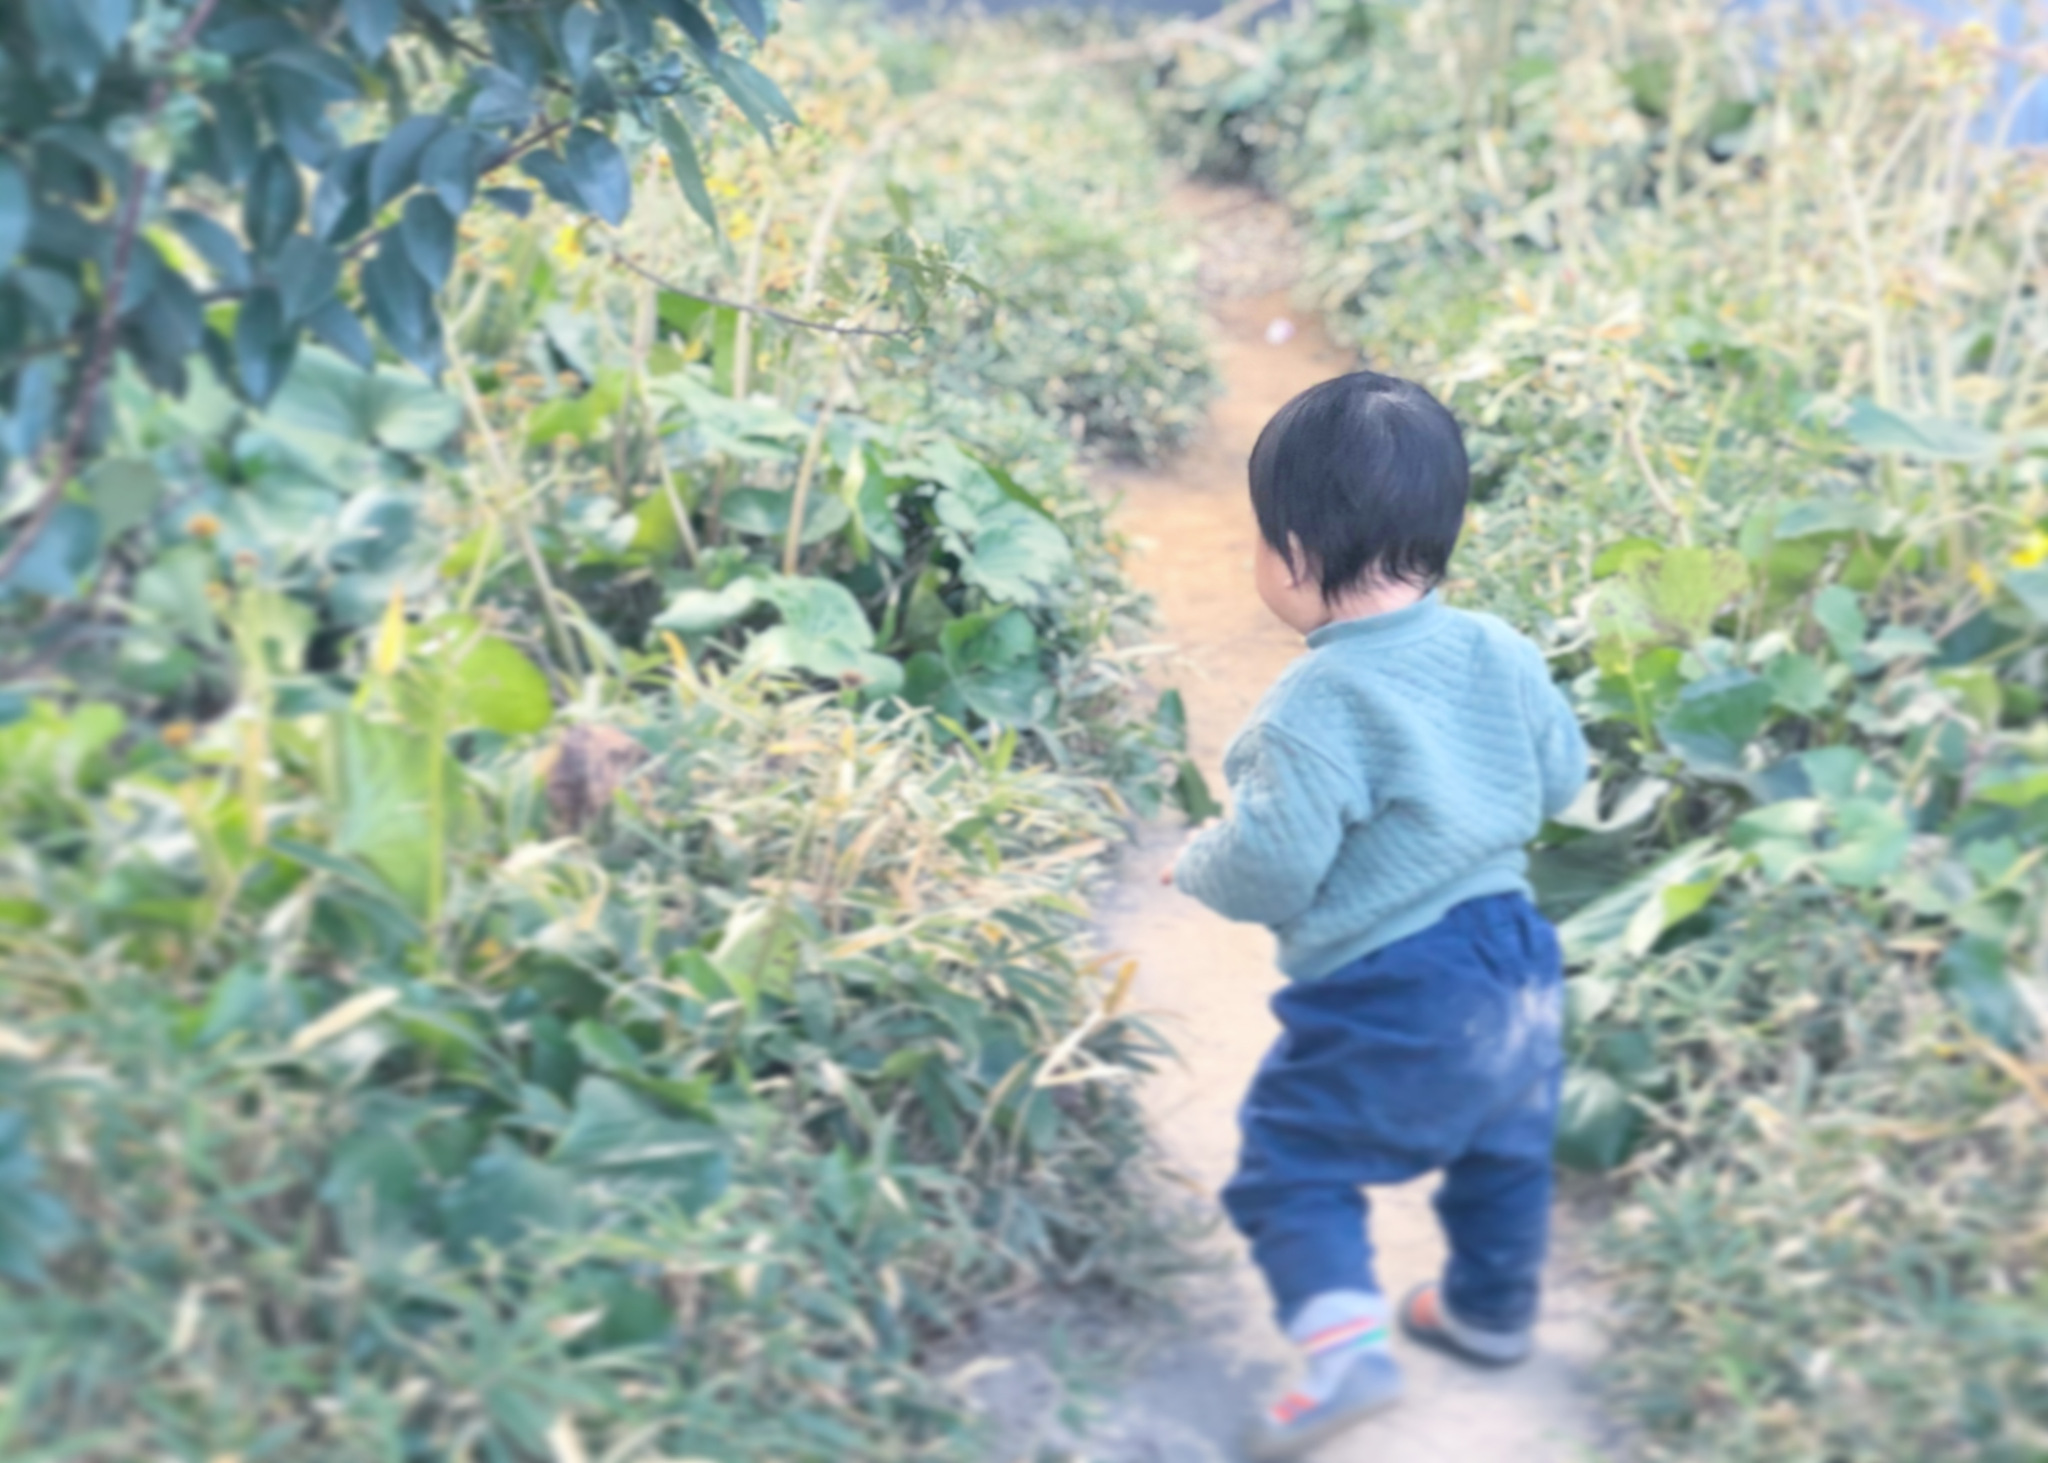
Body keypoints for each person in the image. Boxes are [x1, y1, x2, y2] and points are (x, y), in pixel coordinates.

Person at [1166, 370, 1590, 1460]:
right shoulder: (1499, 649)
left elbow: (1272, 868)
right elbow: (1560, 778)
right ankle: (1489, 1310)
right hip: (1518, 957)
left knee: (1290, 1160)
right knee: (1506, 1146)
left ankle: (1345, 1349)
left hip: (1398, 983)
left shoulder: (1311, 708)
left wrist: (1195, 863)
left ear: (1294, 553)